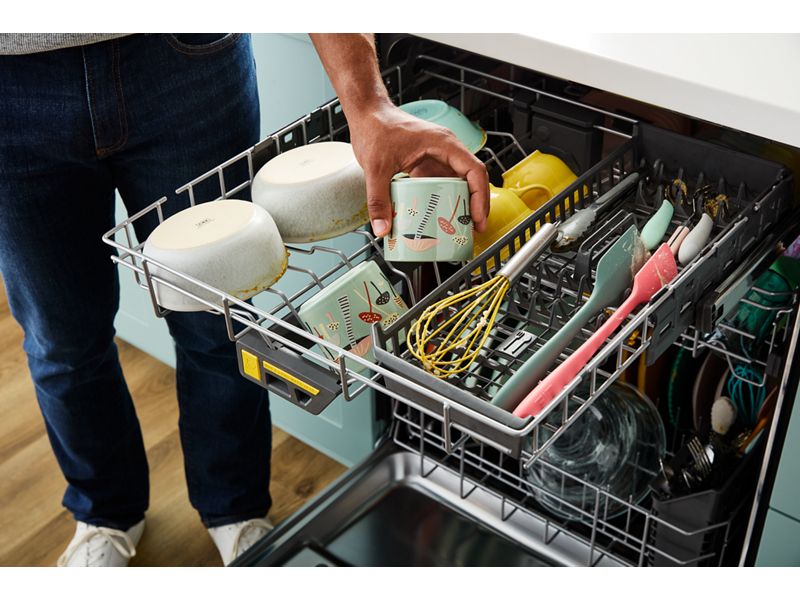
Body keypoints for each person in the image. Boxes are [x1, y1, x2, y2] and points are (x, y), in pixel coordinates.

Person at [0, 33, 489, 566]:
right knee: (61, 341)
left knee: (220, 326)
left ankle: (234, 507)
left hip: (183, 57)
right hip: (11, 89)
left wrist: (369, 104)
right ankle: (103, 515)